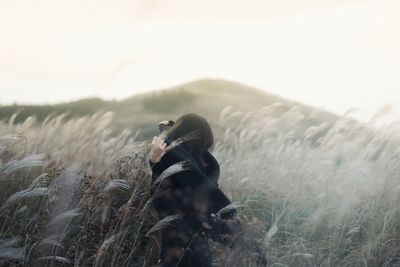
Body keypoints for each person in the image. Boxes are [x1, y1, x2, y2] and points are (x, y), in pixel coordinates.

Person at [148, 113, 239, 267]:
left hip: (175, 249)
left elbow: (159, 200)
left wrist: (155, 162)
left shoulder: (181, 169)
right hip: (200, 251)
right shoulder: (206, 172)